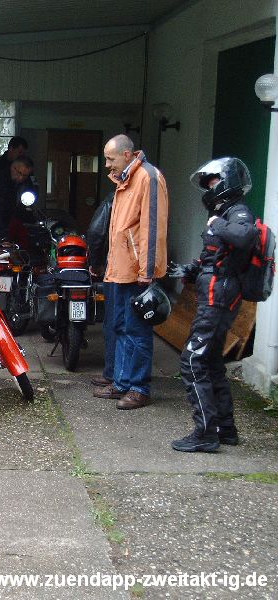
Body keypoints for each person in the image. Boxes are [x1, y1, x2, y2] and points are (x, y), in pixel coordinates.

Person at [168, 157, 257, 452]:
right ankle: (225, 428)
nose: (209, 188)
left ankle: (205, 433)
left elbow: (245, 237)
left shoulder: (238, 212)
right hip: (216, 293)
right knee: (211, 360)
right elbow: (216, 256)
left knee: (192, 360)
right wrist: (193, 270)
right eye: (207, 184)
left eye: (214, 182)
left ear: (229, 182)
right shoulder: (226, 212)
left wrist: (217, 224)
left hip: (219, 297)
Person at [93, 135, 168, 410]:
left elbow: (153, 227)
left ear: (127, 155)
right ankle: (122, 382)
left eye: (110, 159)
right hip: (120, 270)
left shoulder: (148, 177)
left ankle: (139, 388)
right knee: (121, 327)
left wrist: (147, 271)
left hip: (137, 272)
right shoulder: (125, 180)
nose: (107, 165)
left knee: (137, 331)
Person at [86, 191, 116, 388]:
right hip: (131, 270)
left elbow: (96, 232)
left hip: (117, 269)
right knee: (121, 325)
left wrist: (95, 263)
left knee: (115, 324)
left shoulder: (115, 197)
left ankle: (115, 374)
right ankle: (115, 374)